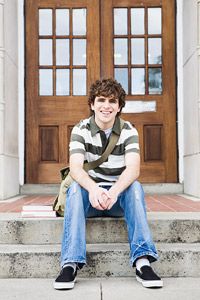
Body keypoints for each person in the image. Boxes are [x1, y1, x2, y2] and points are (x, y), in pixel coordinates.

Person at [54, 78, 163, 290]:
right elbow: (75, 168)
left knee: (136, 187)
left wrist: (113, 192)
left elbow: (133, 169)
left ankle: (142, 261)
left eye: (112, 101)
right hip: (90, 199)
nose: (106, 105)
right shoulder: (80, 130)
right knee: (76, 188)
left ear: (119, 106)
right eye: (101, 100)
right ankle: (70, 262)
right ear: (92, 104)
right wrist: (94, 189)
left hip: (117, 199)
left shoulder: (129, 130)